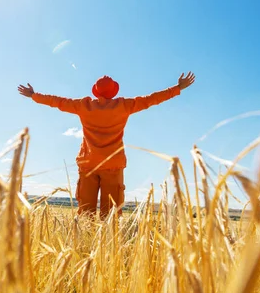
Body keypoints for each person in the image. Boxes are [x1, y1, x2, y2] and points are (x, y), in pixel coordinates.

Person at [18, 72, 196, 219]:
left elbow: (58, 102)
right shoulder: (124, 106)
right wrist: (177, 88)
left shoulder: (83, 105)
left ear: (96, 91)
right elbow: (151, 100)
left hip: (88, 164)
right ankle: (109, 252)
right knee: (110, 214)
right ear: (113, 92)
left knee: (86, 213)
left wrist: (34, 95)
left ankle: (85, 248)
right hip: (113, 164)